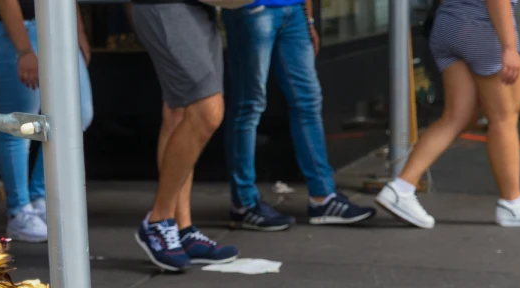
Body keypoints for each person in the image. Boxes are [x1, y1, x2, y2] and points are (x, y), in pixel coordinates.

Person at [376, 0, 520, 228]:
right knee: (504, 118)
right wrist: (510, 47)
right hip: (483, 28)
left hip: (448, 24)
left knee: (457, 116)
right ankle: (513, 203)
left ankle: (401, 188)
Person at [222, 0, 373, 231]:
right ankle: (243, 204)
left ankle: (323, 197)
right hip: (254, 9)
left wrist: (308, 17)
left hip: (294, 12)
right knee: (249, 105)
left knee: (308, 101)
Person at [132, 0, 239, 271]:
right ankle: (158, 219)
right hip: (166, 5)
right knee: (207, 111)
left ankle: (182, 228)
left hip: (202, 7)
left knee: (179, 113)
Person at [0, 0, 94, 242]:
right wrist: (24, 50)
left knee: (78, 115)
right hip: (17, 27)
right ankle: (19, 210)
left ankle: (38, 196)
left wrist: (78, 32)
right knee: (20, 123)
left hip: (58, 25)